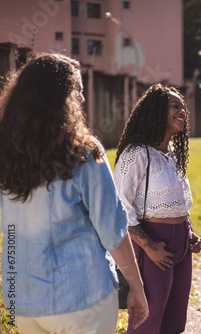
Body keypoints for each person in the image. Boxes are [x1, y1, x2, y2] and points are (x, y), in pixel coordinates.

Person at [0, 53, 148, 333]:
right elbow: (112, 230)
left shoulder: (6, 155)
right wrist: (137, 288)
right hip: (81, 300)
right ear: (60, 98)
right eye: (77, 90)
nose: (82, 98)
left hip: (23, 301)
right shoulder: (84, 153)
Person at [113, 84, 201, 334]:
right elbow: (120, 205)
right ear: (156, 112)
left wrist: (190, 234)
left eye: (183, 107)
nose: (182, 111)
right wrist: (149, 247)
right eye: (175, 106)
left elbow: (179, 202)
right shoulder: (136, 153)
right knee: (147, 321)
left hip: (182, 244)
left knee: (175, 321)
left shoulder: (172, 155)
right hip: (152, 241)